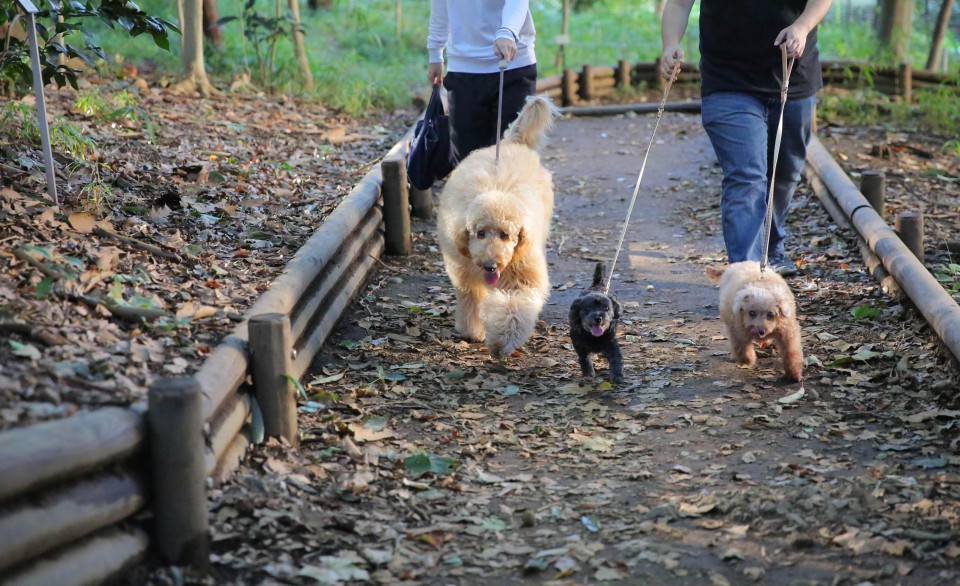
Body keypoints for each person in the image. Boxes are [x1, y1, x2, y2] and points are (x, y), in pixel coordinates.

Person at [660, 0, 834, 276]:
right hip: (727, 81)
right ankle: (747, 272)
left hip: (793, 75)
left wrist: (802, 27)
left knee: (785, 172)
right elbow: (680, 4)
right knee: (746, 177)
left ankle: (771, 247)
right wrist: (670, 45)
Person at [427, 0, 538, 162]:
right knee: (468, 155)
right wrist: (435, 52)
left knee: (515, 152)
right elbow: (440, 7)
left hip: (513, 63)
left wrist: (508, 31)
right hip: (463, 67)